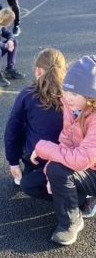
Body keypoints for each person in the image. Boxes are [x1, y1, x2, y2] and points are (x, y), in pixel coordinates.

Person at [22, 55, 96, 246]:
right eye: (66, 91)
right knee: (29, 184)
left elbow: (81, 160)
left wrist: (43, 148)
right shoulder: (72, 108)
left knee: (57, 171)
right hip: (81, 168)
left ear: (90, 97)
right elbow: (65, 140)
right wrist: (49, 174)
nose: (67, 97)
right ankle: (77, 199)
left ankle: (71, 222)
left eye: (74, 93)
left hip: (91, 169)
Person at [4, 49, 66, 186]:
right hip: (66, 159)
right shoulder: (72, 96)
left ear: (38, 71)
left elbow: (12, 131)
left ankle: (33, 171)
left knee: (21, 124)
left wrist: (13, 162)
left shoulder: (27, 95)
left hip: (37, 158)